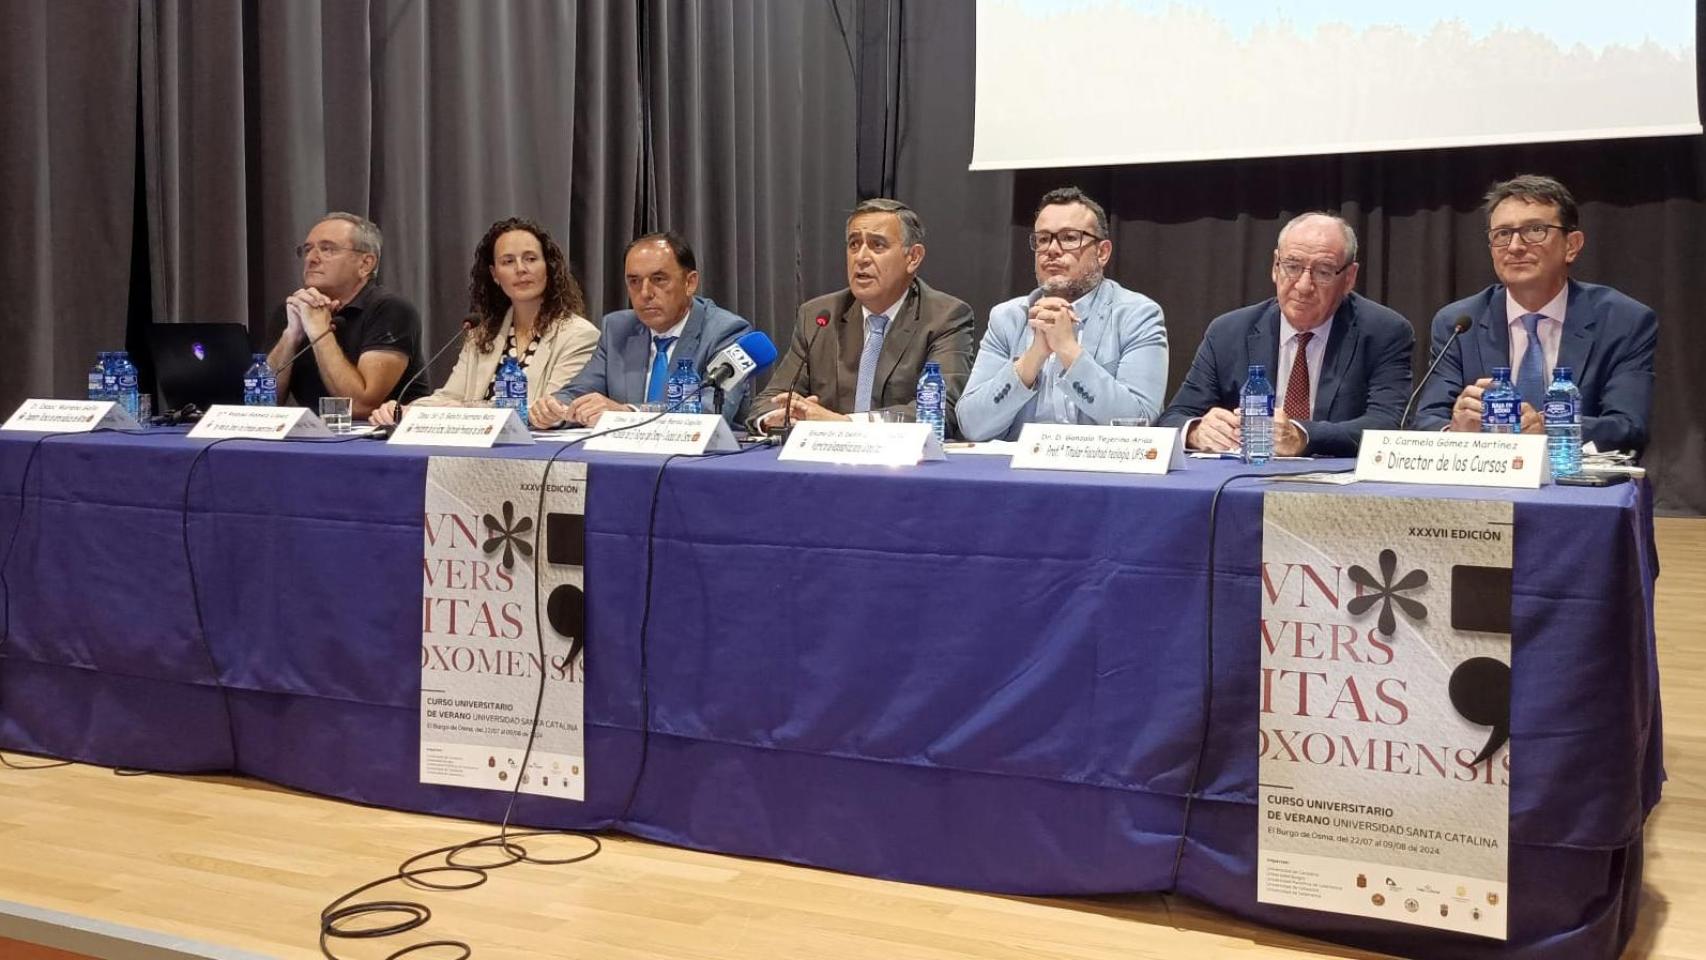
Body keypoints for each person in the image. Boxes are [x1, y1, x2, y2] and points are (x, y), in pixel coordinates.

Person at [1414, 174, 1656, 452]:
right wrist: (1455, 430)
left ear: (1572, 245)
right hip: (1484, 480)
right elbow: (1425, 420)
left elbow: (1629, 425)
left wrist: (1549, 429)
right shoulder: (1458, 323)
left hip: (1574, 483)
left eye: (1535, 230)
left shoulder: (1622, 320)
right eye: (1502, 234)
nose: (1515, 246)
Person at [1158, 213, 1413, 457]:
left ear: (1349, 278)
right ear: (1275, 266)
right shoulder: (1228, 332)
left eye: (1323, 272)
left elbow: (1387, 425)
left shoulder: (1384, 332)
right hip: (1245, 478)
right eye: (1292, 266)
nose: (1303, 286)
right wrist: (1196, 431)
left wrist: (1303, 437)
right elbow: (1174, 417)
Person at [956, 187, 1166, 441]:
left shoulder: (1137, 315)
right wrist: (1033, 357)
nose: (1052, 250)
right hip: (1016, 473)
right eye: (1043, 239)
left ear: (1102, 252)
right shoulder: (1008, 318)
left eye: (1069, 238)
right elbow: (972, 426)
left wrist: (1068, 350)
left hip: (1099, 473)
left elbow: (1139, 424)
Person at [750, 198, 975, 432]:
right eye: (854, 244)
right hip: (824, 460)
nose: (861, 257)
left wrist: (844, 424)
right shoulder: (818, 316)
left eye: (878, 245)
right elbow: (772, 399)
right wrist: (777, 418)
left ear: (913, 257)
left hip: (902, 463)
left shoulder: (945, 317)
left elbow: (941, 409)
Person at [370, 218, 599, 426]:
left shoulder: (578, 334)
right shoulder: (482, 334)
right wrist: (406, 410)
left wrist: (463, 410)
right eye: (508, 261)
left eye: (530, 259)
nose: (521, 269)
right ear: (495, 274)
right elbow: (450, 397)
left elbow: (549, 410)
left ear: (548, 267)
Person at [530, 232, 753, 428]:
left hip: (698, 464)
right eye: (634, 281)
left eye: (659, 279)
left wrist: (629, 414)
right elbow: (579, 390)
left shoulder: (728, 332)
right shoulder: (617, 329)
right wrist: (554, 409)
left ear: (690, 283)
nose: (645, 292)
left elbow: (711, 409)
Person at [265, 212, 427, 418]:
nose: (311, 259)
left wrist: (319, 331)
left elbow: (360, 406)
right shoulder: (295, 309)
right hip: (313, 437)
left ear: (365, 264)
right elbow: (262, 404)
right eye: (307, 250)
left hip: (378, 440)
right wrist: (291, 336)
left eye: (327, 249)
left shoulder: (391, 310)